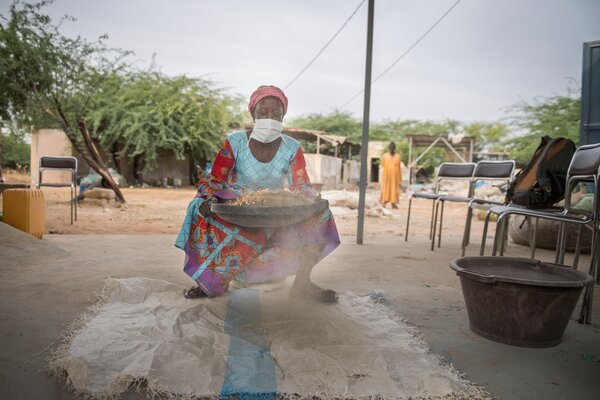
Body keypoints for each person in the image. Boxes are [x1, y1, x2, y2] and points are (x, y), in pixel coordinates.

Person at [175, 85, 340, 302]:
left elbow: (300, 185)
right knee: (197, 207)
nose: (270, 118)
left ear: (283, 117)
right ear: (253, 113)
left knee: (322, 214)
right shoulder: (235, 142)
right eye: (263, 113)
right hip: (238, 202)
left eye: (276, 114)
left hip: (274, 204)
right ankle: (209, 283)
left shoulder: (292, 147)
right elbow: (215, 179)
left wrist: (311, 198)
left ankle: (302, 285)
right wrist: (209, 197)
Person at [379, 141, 402, 208]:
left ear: (395, 148)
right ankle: (384, 202)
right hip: (387, 176)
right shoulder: (385, 156)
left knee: (394, 189)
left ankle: (393, 203)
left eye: (393, 147)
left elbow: (399, 167)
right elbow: (383, 165)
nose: (391, 148)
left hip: (395, 176)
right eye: (390, 147)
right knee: (385, 188)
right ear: (389, 148)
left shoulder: (398, 156)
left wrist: (399, 178)